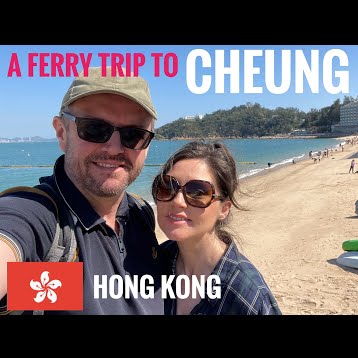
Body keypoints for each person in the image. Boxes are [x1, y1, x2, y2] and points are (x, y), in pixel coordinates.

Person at [0, 67, 164, 315]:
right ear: (62, 133)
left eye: (134, 135)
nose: (114, 147)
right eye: (95, 129)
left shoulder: (140, 214)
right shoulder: (44, 223)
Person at [152, 141, 282, 315]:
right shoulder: (156, 263)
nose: (177, 201)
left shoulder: (246, 294)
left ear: (224, 209)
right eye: (167, 186)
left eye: (198, 192)